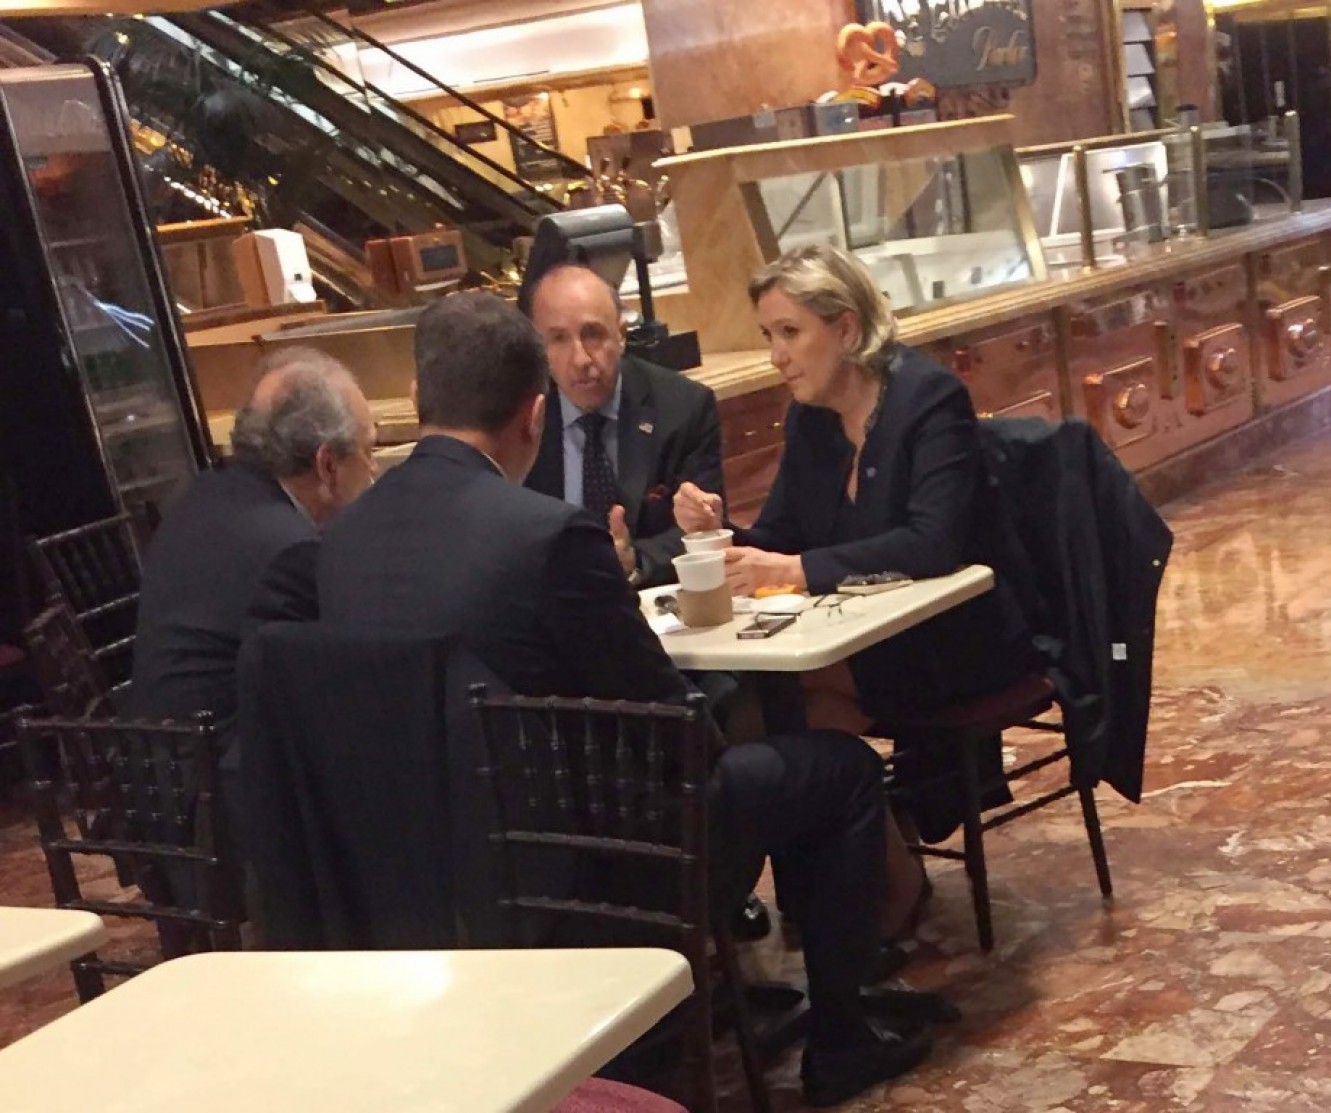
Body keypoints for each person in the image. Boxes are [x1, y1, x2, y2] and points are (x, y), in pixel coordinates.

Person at [315, 291, 933, 1106]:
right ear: (535, 414)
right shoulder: (545, 535)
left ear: (417, 398)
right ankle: (842, 1041)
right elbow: (667, 721)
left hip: (408, 869)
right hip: (591, 865)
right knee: (838, 770)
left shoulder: (338, 540)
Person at [673, 244, 1037, 926]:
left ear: (844, 328)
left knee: (780, 711)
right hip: (869, 641)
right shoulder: (810, 417)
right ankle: (847, 884)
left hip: (960, 636)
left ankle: (871, 887)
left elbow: (933, 542)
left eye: (790, 332)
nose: (776, 356)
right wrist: (723, 533)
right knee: (760, 711)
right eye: (768, 335)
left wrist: (795, 570)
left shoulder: (928, 398)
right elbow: (781, 534)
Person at [128, 346, 378, 731]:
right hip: (218, 756)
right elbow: (331, 682)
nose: (374, 468)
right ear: (327, 465)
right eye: (369, 449)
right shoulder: (290, 552)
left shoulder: (203, 494)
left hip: (153, 743)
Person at [524, 264, 724, 588]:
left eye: (593, 334)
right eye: (558, 339)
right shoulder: (517, 415)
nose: (580, 359)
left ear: (621, 335)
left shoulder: (683, 408)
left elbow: (702, 532)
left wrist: (633, 561)